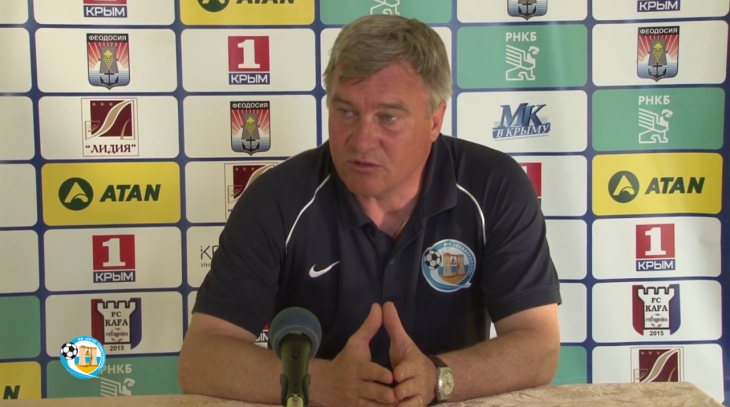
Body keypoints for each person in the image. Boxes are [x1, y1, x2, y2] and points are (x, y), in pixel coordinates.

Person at [178, 14, 562, 407]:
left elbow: (539, 345)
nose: (361, 141)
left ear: (435, 119)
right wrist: (321, 384)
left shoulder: (494, 186)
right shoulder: (276, 198)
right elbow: (201, 359)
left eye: (388, 118)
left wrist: (438, 377)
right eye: (346, 112)